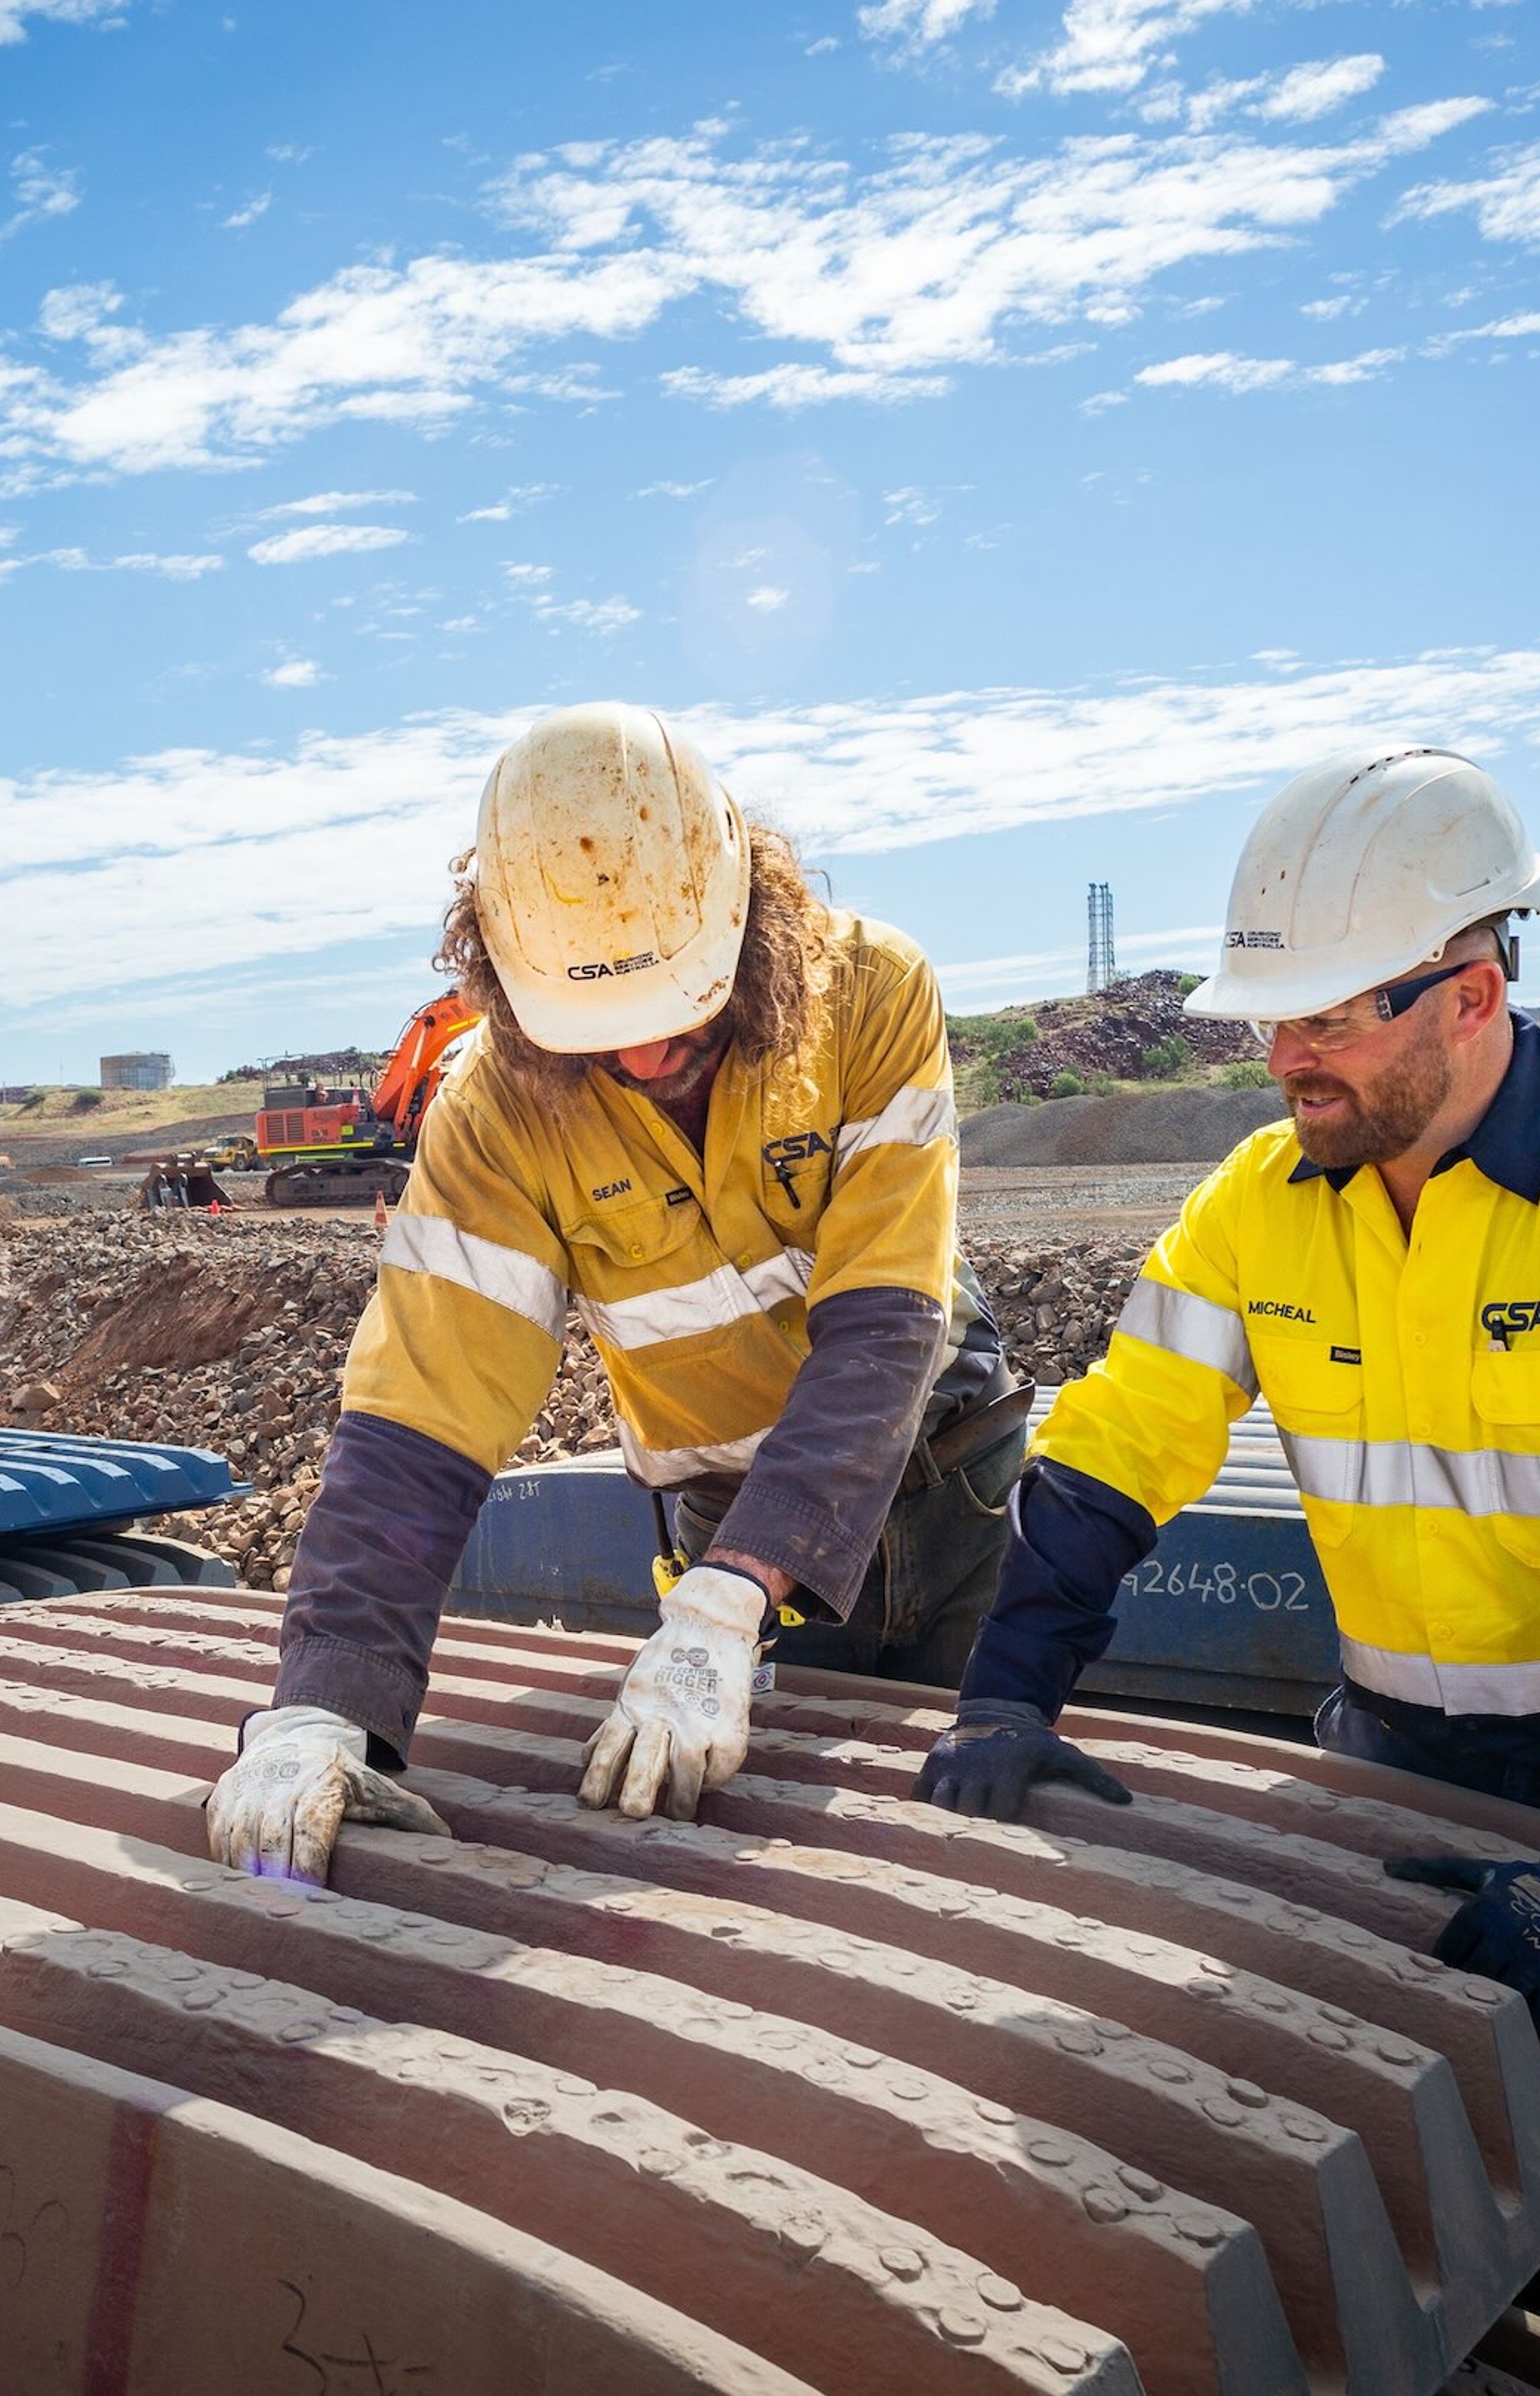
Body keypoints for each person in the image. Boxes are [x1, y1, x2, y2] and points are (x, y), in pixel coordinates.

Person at [931, 742, 1540, 2396]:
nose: (1282, 1062)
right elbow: (1117, 1445)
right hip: (1399, 1740)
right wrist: (1006, 1689)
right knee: (1437, 2125)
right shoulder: (1263, 1203)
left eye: (1322, 1020)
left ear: (1474, 992)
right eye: (1265, 1021)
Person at [208, 700, 1027, 1887]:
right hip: (720, 1527)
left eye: (677, 1012)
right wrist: (323, 1703)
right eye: (604, 1034)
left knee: (967, 1861)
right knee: (777, 1885)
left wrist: (728, 1603)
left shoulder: (871, 996)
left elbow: (882, 1322)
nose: (645, 1060)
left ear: (750, 915)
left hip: (949, 1495)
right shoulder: (493, 1110)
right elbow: (420, 1421)